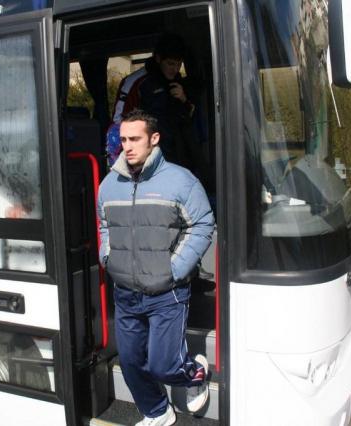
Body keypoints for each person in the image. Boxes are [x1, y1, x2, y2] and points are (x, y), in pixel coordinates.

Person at [97, 109, 215, 426]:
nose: (128, 146)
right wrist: (108, 257)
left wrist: (174, 269)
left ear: (154, 138)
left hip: (167, 292)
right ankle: (157, 411)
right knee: (131, 363)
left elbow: (202, 225)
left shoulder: (180, 180)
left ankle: (195, 373)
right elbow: (104, 226)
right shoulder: (109, 185)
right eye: (123, 139)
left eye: (135, 139)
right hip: (125, 292)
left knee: (164, 366)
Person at [106, 34, 210, 192]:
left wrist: (184, 99)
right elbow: (118, 124)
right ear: (158, 59)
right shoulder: (136, 82)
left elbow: (190, 120)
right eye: (170, 64)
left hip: (180, 158)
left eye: (179, 64)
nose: (175, 69)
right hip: (149, 162)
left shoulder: (179, 82)